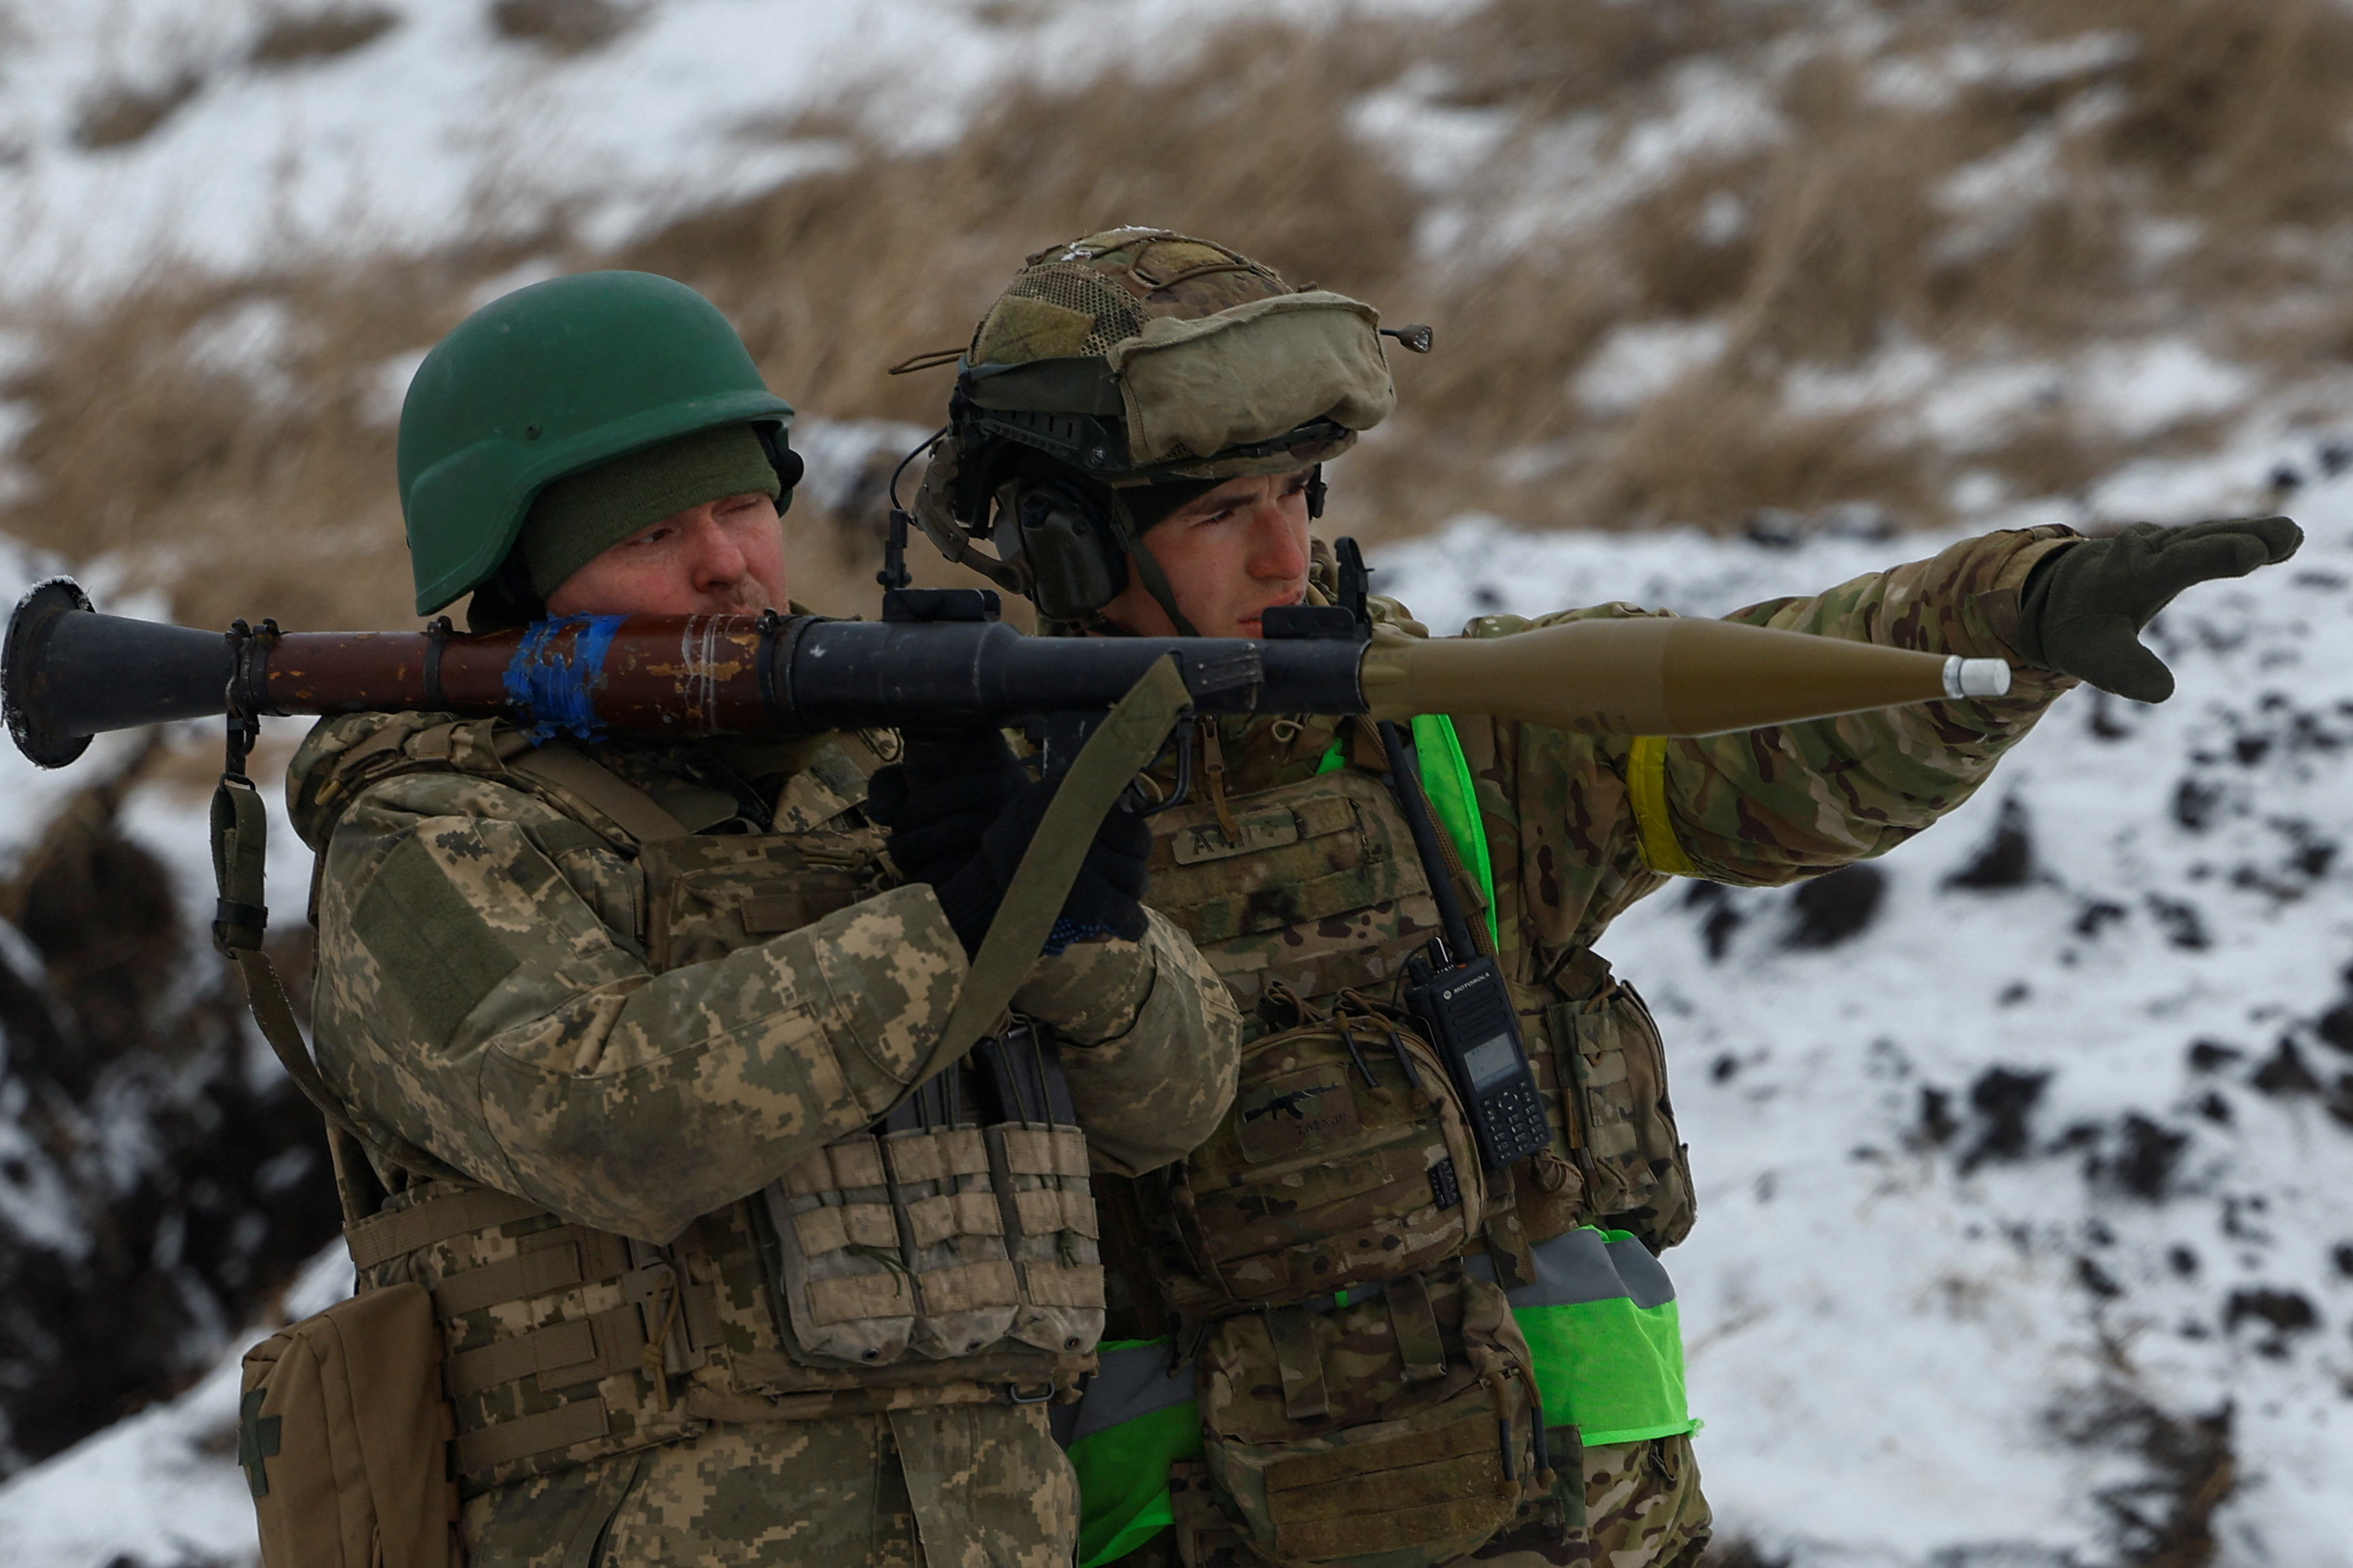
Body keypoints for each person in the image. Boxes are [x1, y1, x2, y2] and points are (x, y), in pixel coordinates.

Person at [905, 227, 2302, 1568]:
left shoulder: (1459, 738)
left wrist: (2011, 612)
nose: (1288, 557)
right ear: (1064, 546)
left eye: (1299, 494)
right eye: (1222, 514)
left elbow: (1774, 730)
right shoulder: (959, 822)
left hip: (1588, 1525)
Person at [288, 269, 1241, 1567]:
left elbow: (1178, 1107)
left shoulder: (871, 765)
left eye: (742, 506)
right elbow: (606, 1121)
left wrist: (1078, 936)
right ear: (518, 578)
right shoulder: (431, 835)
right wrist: (956, 931)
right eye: (650, 535)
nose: (727, 564)